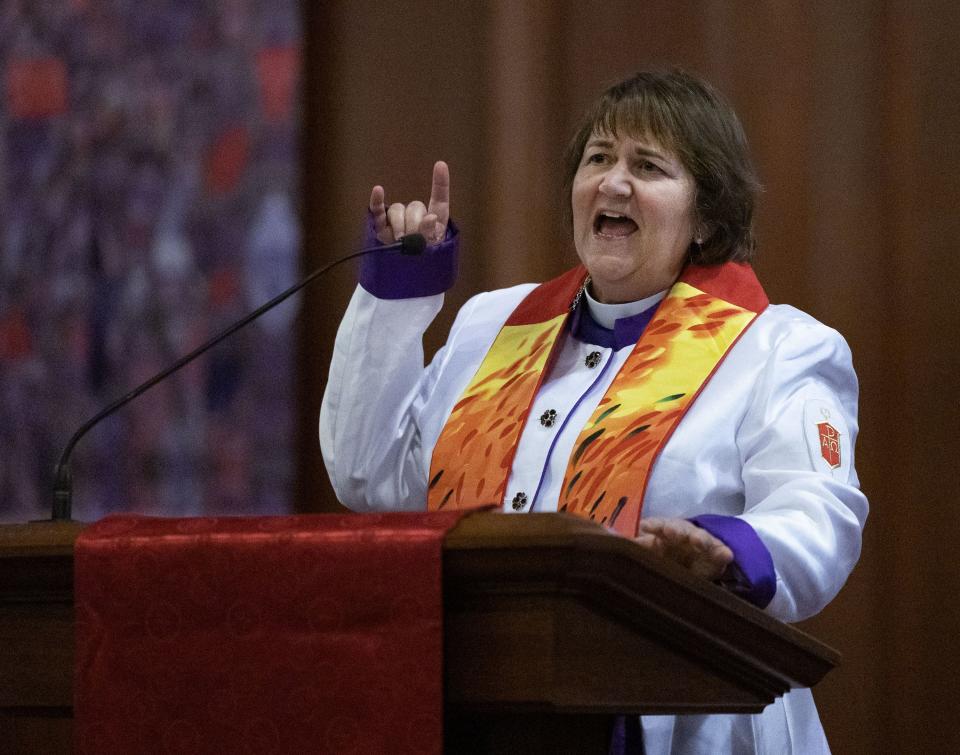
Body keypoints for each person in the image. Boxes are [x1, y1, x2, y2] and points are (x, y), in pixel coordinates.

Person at [320, 69, 867, 754]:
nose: (613, 182)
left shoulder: (778, 348)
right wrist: (395, 298)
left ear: (707, 217)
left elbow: (820, 514)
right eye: (599, 158)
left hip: (685, 719)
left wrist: (727, 551)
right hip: (480, 706)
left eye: (648, 166)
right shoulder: (496, 327)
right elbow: (372, 476)